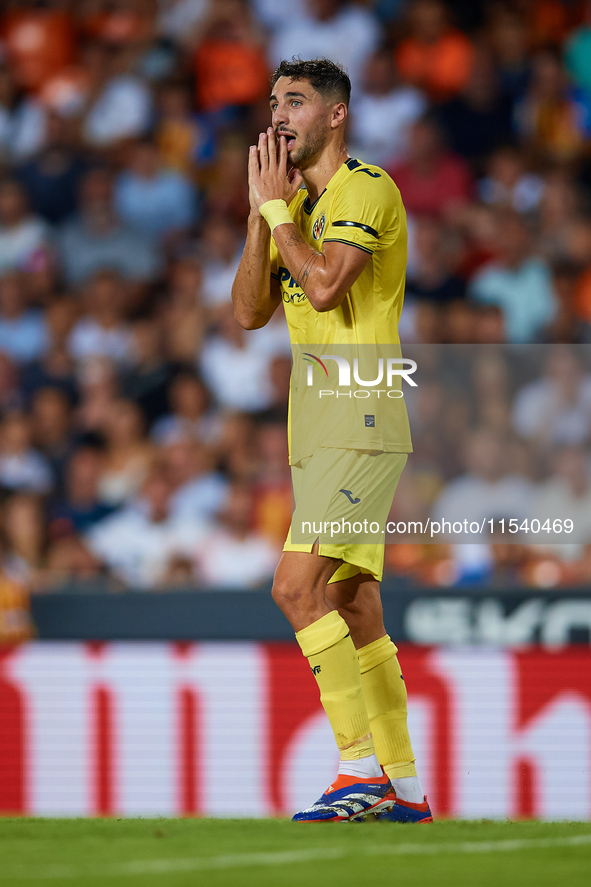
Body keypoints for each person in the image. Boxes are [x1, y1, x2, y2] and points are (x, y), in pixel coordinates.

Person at [232, 58, 430, 823]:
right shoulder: (290, 204)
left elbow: (322, 286)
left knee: (293, 587)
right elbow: (250, 312)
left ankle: (356, 769)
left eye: (296, 101)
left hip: (360, 412)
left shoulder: (366, 189)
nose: (278, 114)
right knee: (352, 605)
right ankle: (406, 791)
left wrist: (281, 217)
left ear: (335, 114)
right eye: (273, 102)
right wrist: (261, 214)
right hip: (313, 429)